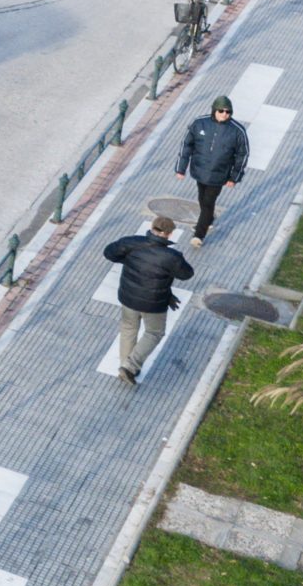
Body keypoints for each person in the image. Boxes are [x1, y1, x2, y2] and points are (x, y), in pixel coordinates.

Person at [105, 214, 195, 386]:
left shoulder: (131, 243)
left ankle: (126, 365)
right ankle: (130, 367)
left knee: (128, 328)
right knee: (154, 333)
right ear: (169, 234)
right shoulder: (172, 256)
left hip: (128, 296)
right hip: (153, 303)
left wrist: (128, 261)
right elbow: (186, 274)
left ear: (152, 227)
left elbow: (109, 252)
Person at [176, 97, 250, 247]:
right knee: (202, 199)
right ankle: (208, 219)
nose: (224, 114)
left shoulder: (237, 131)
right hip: (199, 171)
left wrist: (234, 177)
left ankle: (199, 235)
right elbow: (186, 145)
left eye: (228, 112)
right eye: (221, 111)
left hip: (219, 175)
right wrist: (180, 168)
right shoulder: (199, 123)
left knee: (208, 202)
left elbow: (242, 155)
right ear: (214, 110)